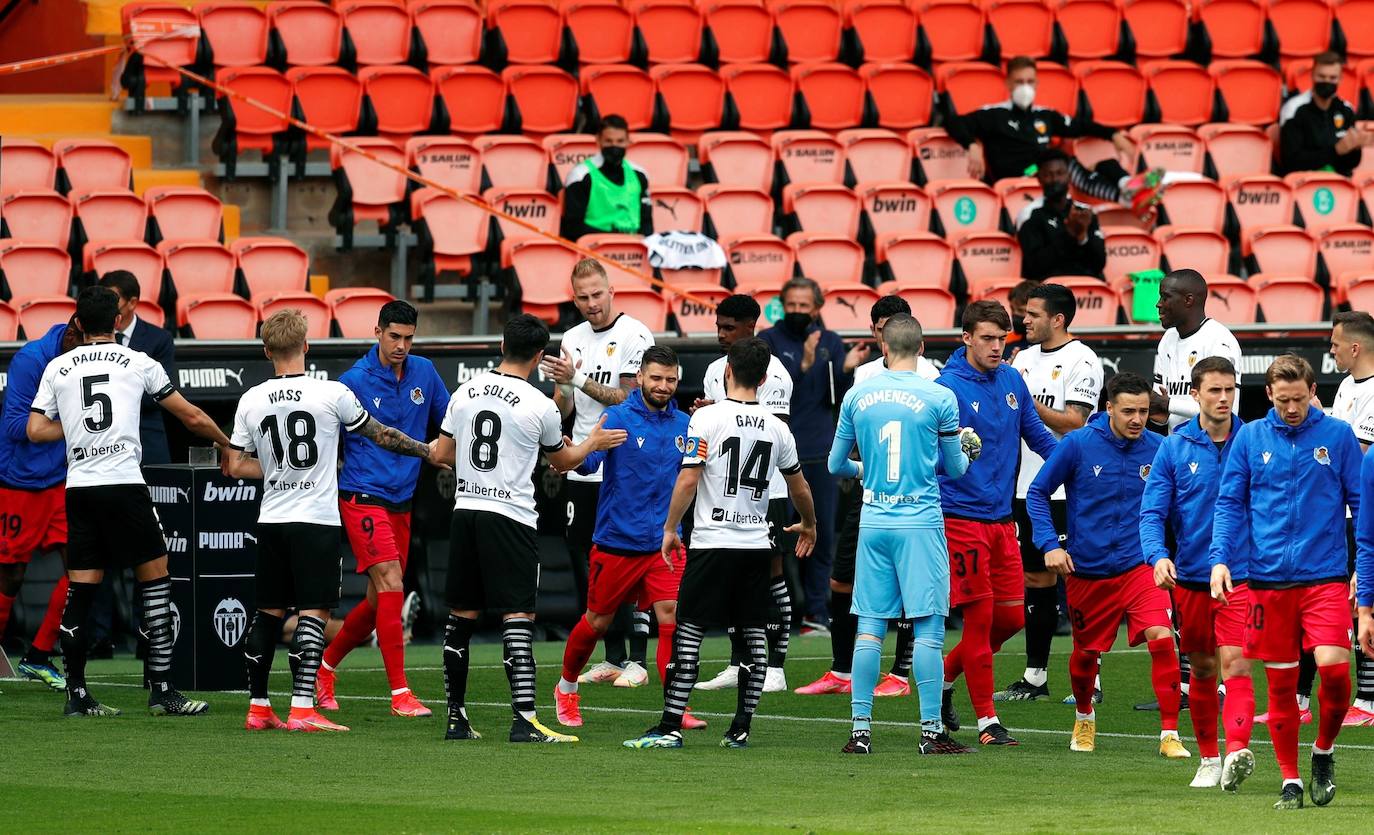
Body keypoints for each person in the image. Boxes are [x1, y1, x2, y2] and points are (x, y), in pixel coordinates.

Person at [227, 309, 441, 732]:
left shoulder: (250, 399)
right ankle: (308, 708)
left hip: (272, 517)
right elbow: (380, 434)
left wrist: (278, 469)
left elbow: (234, 465)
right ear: (306, 346)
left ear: (267, 350)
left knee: (268, 613)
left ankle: (259, 707)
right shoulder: (332, 393)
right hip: (319, 516)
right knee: (314, 613)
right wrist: (426, 451)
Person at [27, 286, 228, 718]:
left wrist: (79, 429)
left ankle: (76, 695)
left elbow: (35, 430)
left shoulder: (58, 367)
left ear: (77, 324)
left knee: (81, 589)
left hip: (80, 489)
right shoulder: (137, 361)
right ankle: (162, 690)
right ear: (118, 321)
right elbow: (190, 416)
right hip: (123, 483)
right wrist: (228, 444)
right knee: (156, 580)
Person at [434, 314, 628, 743]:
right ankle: (524, 720)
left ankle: (456, 719)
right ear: (541, 356)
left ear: (502, 345)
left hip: (466, 511)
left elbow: (443, 452)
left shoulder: (464, 392)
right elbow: (562, 462)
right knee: (517, 616)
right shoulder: (539, 404)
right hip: (511, 516)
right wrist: (593, 442)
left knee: (460, 617)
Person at [624, 337, 817, 750]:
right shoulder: (777, 427)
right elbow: (798, 485)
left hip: (712, 541)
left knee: (689, 632)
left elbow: (690, 478)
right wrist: (810, 524)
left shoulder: (706, 419)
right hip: (755, 544)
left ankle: (670, 725)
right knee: (752, 634)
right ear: (764, 379)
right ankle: (741, 728)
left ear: (727, 370)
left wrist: (670, 528)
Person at [827, 314, 981, 756]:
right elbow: (954, 469)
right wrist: (968, 450)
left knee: (870, 629)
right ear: (922, 347)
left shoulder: (857, 395)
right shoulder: (939, 396)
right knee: (929, 628)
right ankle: (931, 732)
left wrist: (867, 471)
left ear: (884, 346)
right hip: (919, 523)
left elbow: (836, 465)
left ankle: (860, 732)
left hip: (874, 521)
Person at [1212, 354, 1360, 809]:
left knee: (1335, 672)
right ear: (1269, 395)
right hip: (1267, 582)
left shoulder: (1337, 436)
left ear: (1314, 393)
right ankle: (1291, 781)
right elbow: (1229, 503)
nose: (1291, 408)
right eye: (1282, 400)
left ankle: (1323, 750)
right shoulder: (1251, 437)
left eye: (1299, 399)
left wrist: (1364, 568)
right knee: (1280, 687)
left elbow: (1363, 503)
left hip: (1326, 577)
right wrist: (1220, 559)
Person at [1028, 372, 1189, 759]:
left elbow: (1179, 509)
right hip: (1088, 571)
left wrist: (1180, 554)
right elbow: (1037, 492)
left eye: (1144, 412)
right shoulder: (1078, 445)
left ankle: (1170, 734)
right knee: (1086, 657)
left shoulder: (1160, 448)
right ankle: (1085, 716)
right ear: (1109, 408)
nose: (1137, 419)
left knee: (1161, 637)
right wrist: (1050, 544)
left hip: (1140, 565)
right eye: (1129, 411)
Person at [554, 346, 704, 729]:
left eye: (670, 379)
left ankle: (675, 708)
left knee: (670, 617)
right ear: (639, 377)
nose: (663, 386)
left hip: (665, 544)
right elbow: (586, 464)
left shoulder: (686, 424)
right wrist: (576, 448)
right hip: (617, 541)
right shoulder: (618, 417)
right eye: (656, 378)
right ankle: (566, 689)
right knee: (597, 622)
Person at [314, 300, 451, 719]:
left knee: (379, 600)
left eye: (409, 338)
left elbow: (448, 423)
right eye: (394, 336)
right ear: (377, 332)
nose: (402, 346)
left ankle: (323, 669)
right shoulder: (352, 380)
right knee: (392, 584)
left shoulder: (424, 372)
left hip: (403, 501)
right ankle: (400, 694)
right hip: (361, 495)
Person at [796, 294, 936, 697]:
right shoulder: (864, 375)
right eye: (882, 325)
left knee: (910, 588)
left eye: (897, 324)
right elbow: (852, 439)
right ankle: (841, 671)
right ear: (875, 332)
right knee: (842, 580)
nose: (889, 332)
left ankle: (900, 673)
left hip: (914, 499)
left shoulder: (932, 376)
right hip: (870, 492)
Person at [936, 300, 1058, 746]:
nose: (995, 347)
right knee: (980, 619)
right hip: (961, 518)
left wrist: (1072, 464)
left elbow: (1038, 435)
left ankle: (946, 678)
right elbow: (932, 457)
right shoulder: (946, 388)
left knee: (1010, 619)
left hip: (1004, 520)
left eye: (1001, 339)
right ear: (965, 337)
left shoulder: (1011, 379)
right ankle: (988, 723)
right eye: (986, 338)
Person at [1140, 357, 1256, 790]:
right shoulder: (1174, 447)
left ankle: (1238, 750)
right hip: (1189, 576)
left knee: (1235, 664)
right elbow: (1152, 512)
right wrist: (1157, 556)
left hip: (1242, 576)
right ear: (1195, 394)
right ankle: (1209, 758)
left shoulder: (1256, 440)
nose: (1224, 398)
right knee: (1204, 670)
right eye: (1215, 390)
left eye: (1230, 389)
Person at [539, 258, 654, 687]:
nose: (591, 304)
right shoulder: (571, 337)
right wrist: (560, 402)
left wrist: (578, 377)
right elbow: (566, 403)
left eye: (597, 295)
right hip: (585, 461)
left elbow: (628, 396)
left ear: (611, 292)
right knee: (589, 563)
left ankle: (639, 660)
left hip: (625, 461)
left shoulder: (634, 334)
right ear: (574, 298)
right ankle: (613, 657)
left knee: (630, 559)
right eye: (583, 297)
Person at [1000, 283, 1103, 703]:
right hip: (1025, 486)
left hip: (1066, 489)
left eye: (1033, 314)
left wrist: (1023, 401)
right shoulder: (1022, 358)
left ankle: (1091, 680)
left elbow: (1076, 423)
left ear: (1058, 319)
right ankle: (1035, 676)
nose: (1024, 320)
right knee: (1034, 579)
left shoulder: (1083, 360)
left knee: (1078, 581)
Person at [694, 295, 797, 693]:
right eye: (719, 326)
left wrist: (718, 412)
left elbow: (771, 435)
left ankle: (776, 666)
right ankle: (738, 663)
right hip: (723, 492)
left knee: (771, 573)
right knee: (736, 577)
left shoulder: (777, 375)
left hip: (766, 491)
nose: (721, 335)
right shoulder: (713, 370)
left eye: (729, 328)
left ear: (751, 326)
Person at [759, 277, 867, 634]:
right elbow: (768, 391)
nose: (797, 312)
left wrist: (845, 369)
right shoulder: (769, 341)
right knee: (776, 541)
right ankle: (779, 614)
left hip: (821, 454)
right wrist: (802, 365)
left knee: (820, 536)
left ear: (817, 307)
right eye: (791, 305)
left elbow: (835, 399)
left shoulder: (831, 342)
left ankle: (816, 614)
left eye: (804, 306)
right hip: (778, 455)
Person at [946, 55, 1162, 215]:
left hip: (1049, 174)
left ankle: (1126, 186)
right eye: (1019, 82)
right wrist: (971, 145)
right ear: (1008, 84)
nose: (1025, 88)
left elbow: (1080, 126)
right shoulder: (993, 114)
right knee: (1063, 164)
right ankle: (1126, 194)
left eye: (1030, 82)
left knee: (1101, 164)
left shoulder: (1045, 115)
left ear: (1037, 84)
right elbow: (952, 121)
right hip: (1016, 179)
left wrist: (1113, 134)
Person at [0, 317, 83, 690]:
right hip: (19, 480)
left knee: (83, 566)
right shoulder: (30, 361)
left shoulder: (89, 358)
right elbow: (17, 426)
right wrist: (77, 423)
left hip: (60, 480)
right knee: (12, 575)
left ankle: (38, 655)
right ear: (72, 333)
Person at [1329, 311, 1374, 727]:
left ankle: (1369, 700)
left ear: (1355, 347)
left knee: (1365, 598)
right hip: (1341, 512)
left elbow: (1360, 456)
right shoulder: (1346, 386)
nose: (1331, 349)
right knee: (1348, 600)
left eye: (1336, 343)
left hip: (1365, 511)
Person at [97, 271, 176, 464]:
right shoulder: (94, 336)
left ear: (132, 303)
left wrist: (109, 395)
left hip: (147, 441)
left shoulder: (159, 339)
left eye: (112, 301)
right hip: (102, 444)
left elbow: (160, 393)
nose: (106, 308)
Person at [1151, 269, 1242, 431]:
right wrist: (1151, 408)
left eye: (1165, 297)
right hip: (1177, 447)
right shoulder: (1167, 339)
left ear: (1188, 300)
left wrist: (1169, 404)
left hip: (1213, 448)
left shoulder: (1219, 341)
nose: (1158, 303)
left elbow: (1228, 411)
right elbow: (1161, 411)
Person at [1015, 149, 1107, 282]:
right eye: (1048, 174)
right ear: (1039, 179)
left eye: (1060, 173)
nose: (1055, 179)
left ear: (1069, 176)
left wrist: (1082, 236)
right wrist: (1069, 235)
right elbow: (1034, 266)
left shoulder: (1085, 212)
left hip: (1086, 289)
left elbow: (1099, 264)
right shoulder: (1029, 215)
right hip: (1049, 291)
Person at [560, 114, 653, 241]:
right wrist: (614, 239)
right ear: (598, 140)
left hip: (633, 250)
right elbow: (572, 227)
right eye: (608, 141)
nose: (614, 146)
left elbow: (646, 222)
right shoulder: (580, 176)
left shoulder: (640, 175)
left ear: (628, 141)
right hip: (594, 249)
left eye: (620, 141)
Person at [1279, 51, 1369, 177]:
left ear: (1340, 79)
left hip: (1340, 181)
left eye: (1332, 78)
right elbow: (1291, 161)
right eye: (1321, 76)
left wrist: (1355, 148)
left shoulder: (1346, 109)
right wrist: (1335, 151)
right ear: (1312, 76)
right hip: (1303, 181)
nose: (1327, 81)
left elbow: (1351, 164)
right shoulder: (1294, 109)